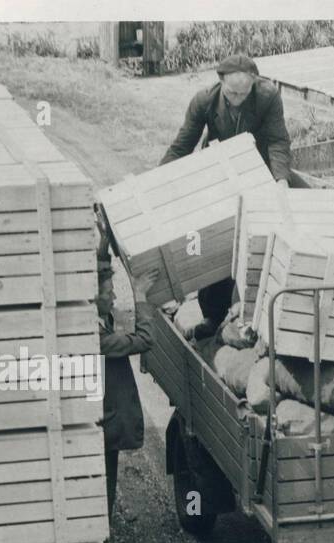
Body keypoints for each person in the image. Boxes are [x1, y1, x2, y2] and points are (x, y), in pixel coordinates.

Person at [161, 54, 293, 340]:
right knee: (218, 238)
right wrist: (159, 181)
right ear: (220, 83)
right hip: (218, 172)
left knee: (271, 232)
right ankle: (213, 314)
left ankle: (263, 313)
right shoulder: (203, 101)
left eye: (245, 94)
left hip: (258, 170)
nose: (238, 99)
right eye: (232, 93)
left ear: (254, 86)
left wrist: (280, 180)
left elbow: (278, 140)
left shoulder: (268, 96)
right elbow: (183, 145)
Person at [96, 230, 156, 519]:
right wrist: (141, 296)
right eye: (110, 293)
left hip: (101, 423)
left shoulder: (94, 315)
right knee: (102, 492)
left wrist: (104, 244)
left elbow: (96, 278)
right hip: (104, 428)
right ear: (95, 299)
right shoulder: (99, 340)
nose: (115, 295)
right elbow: (144, 340)